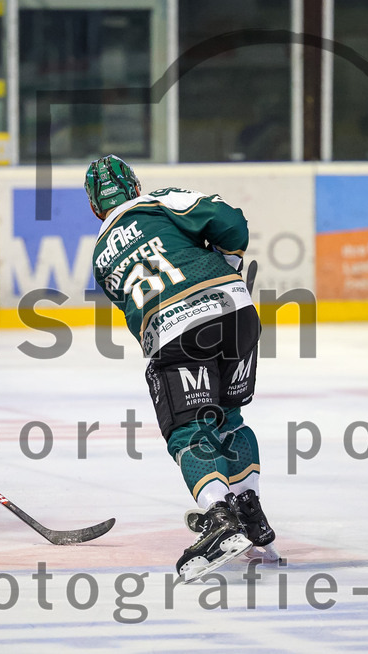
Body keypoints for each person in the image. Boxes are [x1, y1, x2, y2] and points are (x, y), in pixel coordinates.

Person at [85, 155, 278, 582]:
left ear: (95, 209)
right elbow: (231, 221)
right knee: (229, 419)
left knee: (190, 429)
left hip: (177, 330)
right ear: (135, 186)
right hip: (237, 314)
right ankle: (250, 512)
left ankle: (219, 518)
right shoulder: (160, 200)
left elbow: (135, 310)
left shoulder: (99, 258)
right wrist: (228, 262)